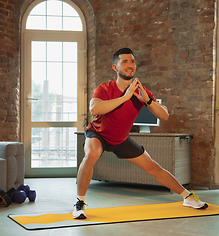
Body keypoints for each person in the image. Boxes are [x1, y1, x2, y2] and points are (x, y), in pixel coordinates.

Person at [73, 48, 208, 219]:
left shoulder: (141, 91)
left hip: (121, 140)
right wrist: (125, 97)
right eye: (125, 62)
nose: (130, 65)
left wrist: (148, 101)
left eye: (132, 62)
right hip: (98, 134)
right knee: (91, 154)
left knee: (154, 168)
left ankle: (187, 197)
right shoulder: (105, 88)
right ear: (115, 67)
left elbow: (164, 115)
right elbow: (95, 108)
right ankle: (80, 203)